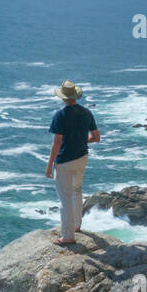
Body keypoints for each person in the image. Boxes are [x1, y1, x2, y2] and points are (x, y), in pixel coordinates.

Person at [45, 80, 100, 246]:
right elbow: (96, 137)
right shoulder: (86, 113)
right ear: (75, 96)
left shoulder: (60, 115)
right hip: (82, 157)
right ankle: (76, 225)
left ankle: (68, 236)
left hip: (65, 162)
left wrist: (49, 166)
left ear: (63, 97)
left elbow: (57, 144)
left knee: (65, 199)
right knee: (77, 190)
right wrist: (81, 140)